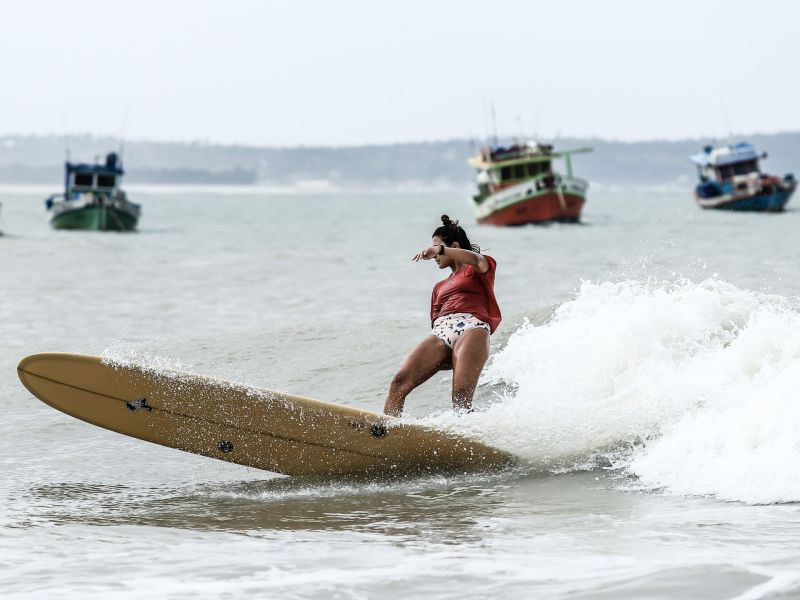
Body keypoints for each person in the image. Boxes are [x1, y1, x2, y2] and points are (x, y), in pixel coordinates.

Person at [383, 215, 501, 416]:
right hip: (442, 332)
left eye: (437, 246)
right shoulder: (439, 287)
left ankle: (467, 431)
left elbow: (474, 258)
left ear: (453, 246)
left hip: (472, 328)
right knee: (399, 383)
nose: (435, 255)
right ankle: (384, 429)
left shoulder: (478, 268)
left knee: (461, 398)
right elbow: (436, 320)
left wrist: (440, 249)